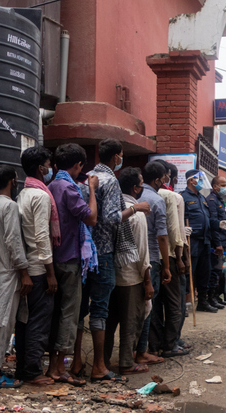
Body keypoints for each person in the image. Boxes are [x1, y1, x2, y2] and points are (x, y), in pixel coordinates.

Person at [82, 138, 144, 383]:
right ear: (116, 156)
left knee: (79, 310)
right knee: (100, 310)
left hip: (83, 251)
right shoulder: (110, 181)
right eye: (121, 155)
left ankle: (78, 362)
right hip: (103, 253)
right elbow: (109, 218)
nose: (121, 159)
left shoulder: (87, 176)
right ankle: (99, 367)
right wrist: (135, 209)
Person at [45, 143, 97, 387]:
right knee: (69, 314)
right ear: (77, 165)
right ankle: (58, 368)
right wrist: (93, 191)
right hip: (70, 259)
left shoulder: (51, 185)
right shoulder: (69, 188)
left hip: (53, 258)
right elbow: (91, 217)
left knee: (57, 313)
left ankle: (53, 365)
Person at [103, 167, 152, 376]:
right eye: (141, 185)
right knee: (131, 323)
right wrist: (147, 280)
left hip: (111, 273)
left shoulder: (114, 210)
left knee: (109, 322)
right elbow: (143, 252)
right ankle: (126, 363)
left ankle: (102, 361)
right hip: (131, 276)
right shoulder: (136, 213)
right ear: (135, 188)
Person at [0, 164, 28, 391]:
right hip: (9, 272)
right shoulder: (10, 206)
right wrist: (24, 272)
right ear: (12, 180)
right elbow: (13, 242)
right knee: (2, 323)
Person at [15, 146, 57, 386]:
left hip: (28, 266)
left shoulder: (24, 193)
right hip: (39, 268)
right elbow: (42, 236)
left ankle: (24, 367)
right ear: (41, 168)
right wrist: (50, 273)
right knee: (39, 321)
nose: (51, 169)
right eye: (49, 165)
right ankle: (32, 370)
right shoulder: (40, 196)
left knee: (26, 320)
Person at [135, 161, 169, 368]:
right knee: (147, 306)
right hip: (152, 259)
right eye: (164, 177)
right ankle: (141, 351)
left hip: (132, 257)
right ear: (156, 180)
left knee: (134, 306)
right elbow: (162, 236)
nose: (166, 180)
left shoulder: (134, 196)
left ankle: (133, 349)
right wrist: (166, 265)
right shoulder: (157, 200)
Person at [155, 163, 189, 356]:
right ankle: (171, 343)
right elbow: (175, 233)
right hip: (169, 254)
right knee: (175, 303)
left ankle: (157, 342)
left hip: (152, 257)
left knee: (156, 303)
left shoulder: (145, 195)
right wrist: (180, 257)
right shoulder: (173, 197)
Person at [181, 170, 217, 313]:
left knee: (205, 272)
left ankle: (202, 301)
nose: (202, 182)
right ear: (191, 180)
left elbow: (207, 217)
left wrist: (217, 224)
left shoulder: (202, 198)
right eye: (199, 179)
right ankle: (182, 304)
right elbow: (179, 217)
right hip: (192, 240)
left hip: (205, 240)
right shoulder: (182, 197)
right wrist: (183, 228)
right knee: (188, 272)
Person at [206, 176, 226, 308]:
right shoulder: (211, 201)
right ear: (215, 186)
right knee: (213, 272)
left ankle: (215, 296)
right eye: (222, 185)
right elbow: (214, 225)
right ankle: (210, 298)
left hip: (222, 241)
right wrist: (218, 244)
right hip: (216, 243)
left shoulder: (219, 200)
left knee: (218, 272)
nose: (225, 187)